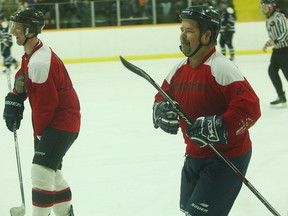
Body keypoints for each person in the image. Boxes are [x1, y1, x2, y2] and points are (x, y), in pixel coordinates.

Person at [152, 6, 261, 216]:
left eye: (189, 31)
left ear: (207, 35)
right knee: (189, 211)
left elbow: (250, 108)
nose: (182, 35)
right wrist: (160, 111)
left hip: (226, 159)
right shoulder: (178, 70)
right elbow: (162, 97)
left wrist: (221, 125)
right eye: (181, 29)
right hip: (194, 155)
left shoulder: (221, 68)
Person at [3, 8, 81, 216]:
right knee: (51, 172)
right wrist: (15, 97)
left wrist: (40, 137)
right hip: (62, 121)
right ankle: (65, 212)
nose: (14, 32)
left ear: (31, 30)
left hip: (61, 122)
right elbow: (23, 76)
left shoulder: (39, 62)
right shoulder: (33, 53)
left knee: (40, 170)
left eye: (18, 28)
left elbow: (45, 107)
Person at [261, 0, 288, 107]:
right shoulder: (268, 20)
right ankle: (281, 96)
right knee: (272, 71)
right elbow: (273, 37)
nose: (263, 8)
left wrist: (275, 41)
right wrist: (268, 43)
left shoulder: (279, 16)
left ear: (271, 6)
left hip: (285, 50)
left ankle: (281, 96)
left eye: (264, 6)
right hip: (276, 51)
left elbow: (286, 32)